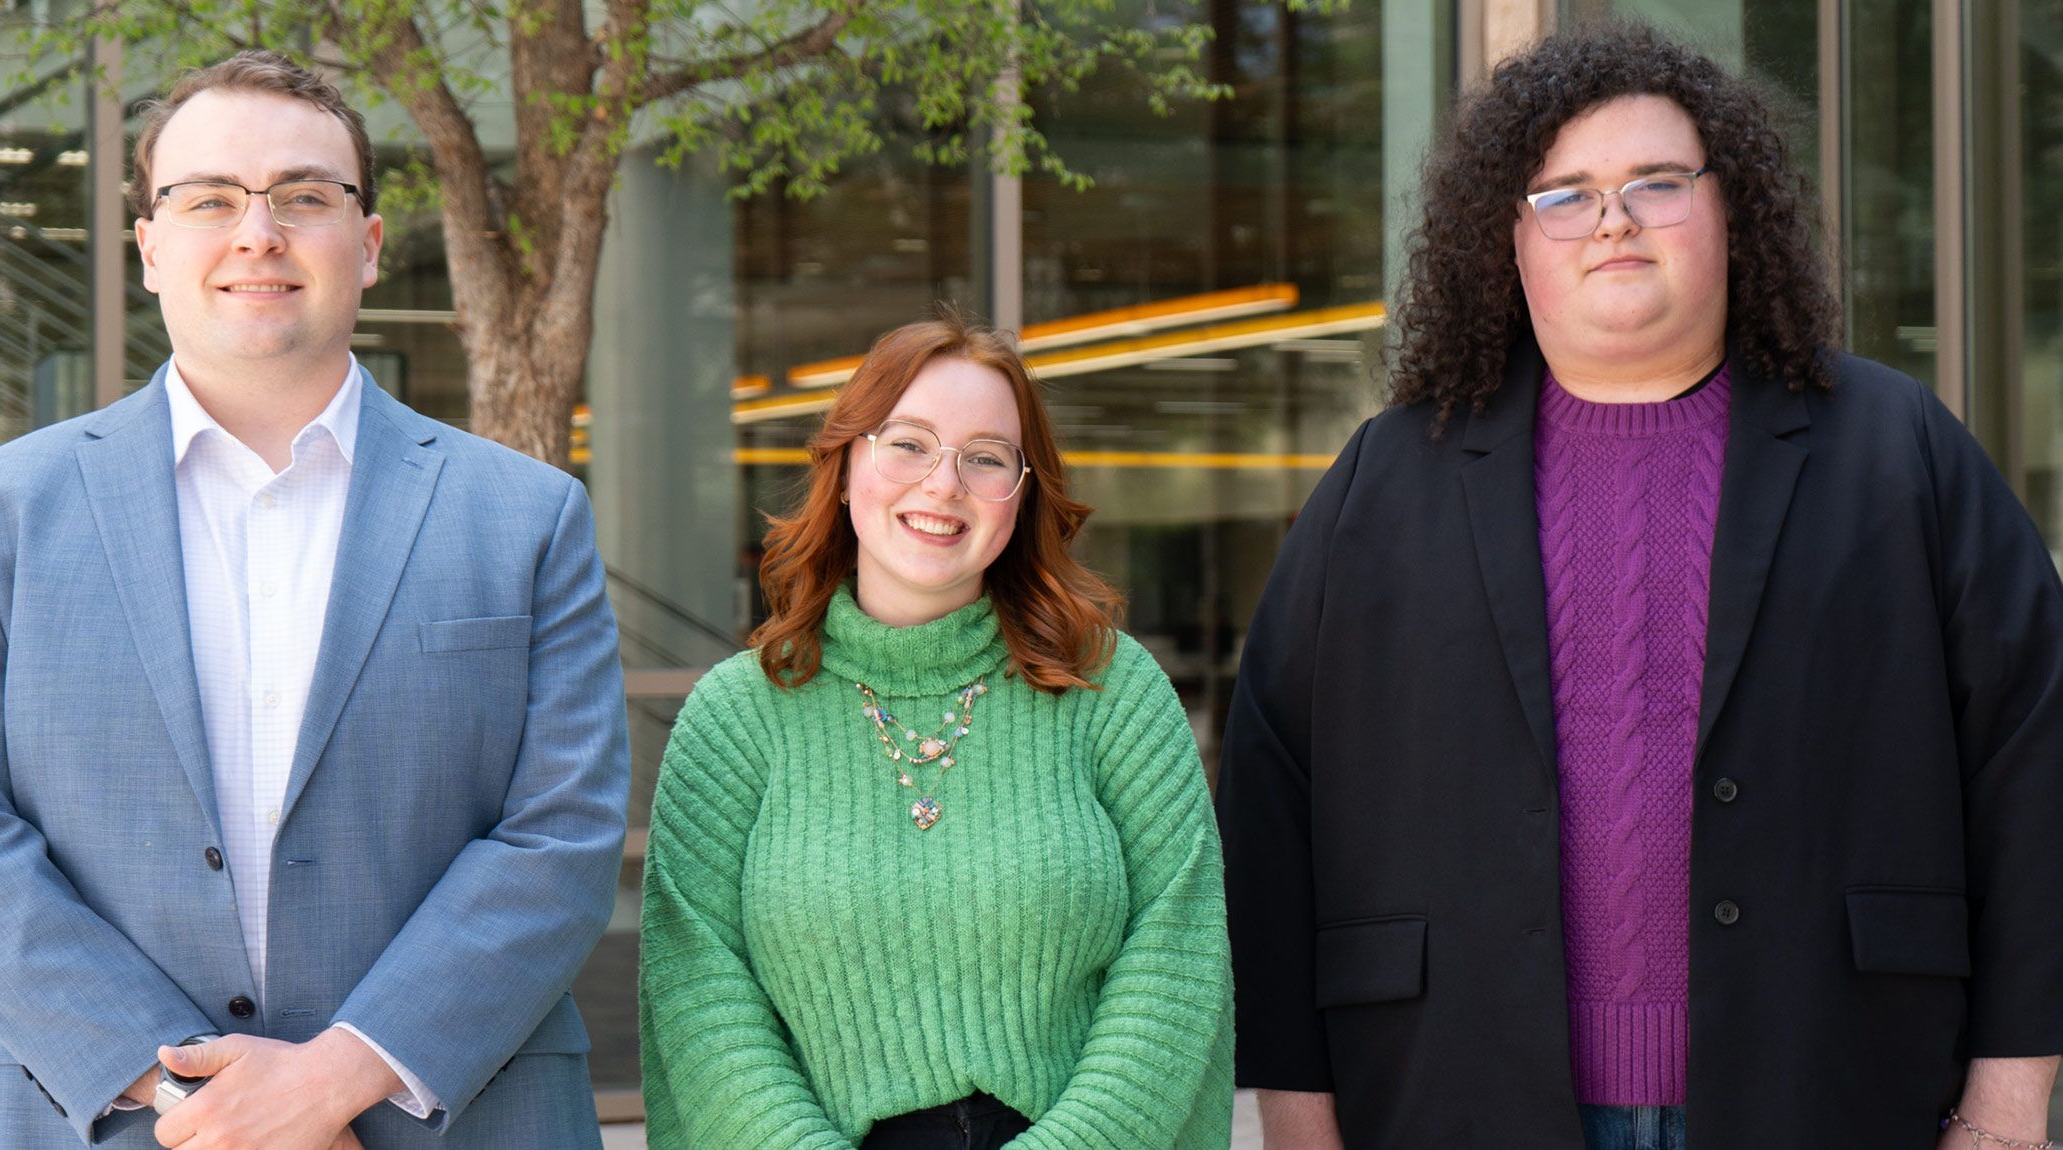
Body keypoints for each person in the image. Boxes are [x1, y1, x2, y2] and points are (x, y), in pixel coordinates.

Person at [1217, 22, 2063, 1150]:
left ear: (1732, 211)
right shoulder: (1385, 479)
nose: (1610, 219)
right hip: (1452, 1095)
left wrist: (2006, 1110)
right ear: (1506, 243)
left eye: (1654, 183)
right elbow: (1271, 807)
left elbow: (2033, 768)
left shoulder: (1894, 449)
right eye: (1562, 194)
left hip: (1836, 1085)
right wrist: (1295, 1114)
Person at [0, 50, 630, 1149]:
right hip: (80, 1115)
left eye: (304, 196)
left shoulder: (526, 517)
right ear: (147, 247)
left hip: (448, 1116)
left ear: (367, 245)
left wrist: (332, 1081)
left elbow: (560, 834)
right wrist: (205, 1106)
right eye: (208, 199)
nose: (256, 232)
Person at [638, 315, 1233, 1149]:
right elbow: (699, 998)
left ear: (1019, 496)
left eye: (986, 457)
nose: (943, 485)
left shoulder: (1113, 689)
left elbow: (1178, 962)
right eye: (908, 443)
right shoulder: (736, 719)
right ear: (846, 469)